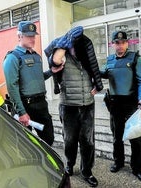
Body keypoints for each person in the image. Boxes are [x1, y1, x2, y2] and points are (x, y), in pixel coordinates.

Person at [45, 26, 103, 187]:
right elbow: (55, 61)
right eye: (73, 42)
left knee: (88, 141)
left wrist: (98, 86)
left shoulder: (86, 54)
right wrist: (65, 42)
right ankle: (70, 164)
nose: (75, 45)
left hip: (87, 105)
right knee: (69, 140)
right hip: (68, 105)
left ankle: (87, 171)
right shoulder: (62, 53)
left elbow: (95, 70)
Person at [2, 21, 63, 146]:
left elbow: (38, 78)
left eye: (33, 36)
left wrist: (51, 72)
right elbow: (12, 87)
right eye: (29, 36)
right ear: (19, 36)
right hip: (25, 106)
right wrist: (22, 112)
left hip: (41, 105)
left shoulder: (36, 57)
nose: (32, 39)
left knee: (48, 138)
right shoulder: (12, 58)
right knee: (25, 143)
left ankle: (45, 164)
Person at [100, 31, 141, 182]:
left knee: (135, 137)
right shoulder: (109, 60)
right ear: (113, 44)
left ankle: (137, 168)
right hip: (115, 103)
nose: (120, 45)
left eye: (123, 42)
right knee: (117, 137)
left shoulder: (134, 58)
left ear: (127, 43)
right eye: (117, 43)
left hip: (131, 103)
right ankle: (118, 162)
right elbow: (102, 74)